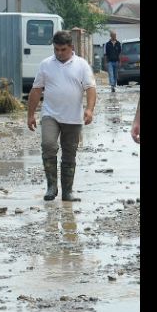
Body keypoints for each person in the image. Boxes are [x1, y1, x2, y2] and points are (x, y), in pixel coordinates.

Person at [27, 30, 97, 202]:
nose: (59, 53)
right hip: (50, 114)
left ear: (71, 47)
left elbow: (90, 88)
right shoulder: (46, 64)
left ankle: (67, 191)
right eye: (56, 49)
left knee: (69, 153)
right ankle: (51, 186)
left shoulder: (81, 65)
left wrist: (89, 110)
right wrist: (30, 115)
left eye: (63, 49)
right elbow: (36, 90)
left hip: (73, 117)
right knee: (48, 145)